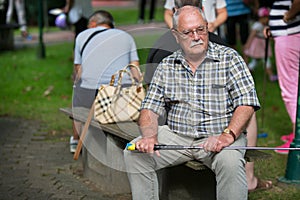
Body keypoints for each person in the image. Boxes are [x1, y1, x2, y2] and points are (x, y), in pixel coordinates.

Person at [124, 6, 260, 200]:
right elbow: (149, 107)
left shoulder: (230, 58)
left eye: (201, 29)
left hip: (219, 135)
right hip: (178, 136)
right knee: (134, 154)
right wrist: (149, 136)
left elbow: (246, 103)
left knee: (230, 162)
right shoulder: (167, 65)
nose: (196, 37)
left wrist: (228, 135)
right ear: (176, 35)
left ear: (207, 27)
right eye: (188, 32)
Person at [70, 10, 141, 153]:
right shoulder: (126, 37)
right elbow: (135, 70)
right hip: (120, 93)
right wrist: (138, 83)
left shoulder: (81, 36)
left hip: (90, 93)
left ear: (93, 23)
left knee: (77, 92)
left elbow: (79, 71)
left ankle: (76, 139)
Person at [265, 0, 300, 154]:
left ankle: (297, 140)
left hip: (289, 35)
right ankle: (296, 131)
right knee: (295, 87)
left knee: (290, 89)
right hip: (291, 34)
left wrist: (287, 17)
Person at [244, 7, 277, 82]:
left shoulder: (266, 26)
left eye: (267, 18)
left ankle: (247, 71)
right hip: (258, 45)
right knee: (265, 60)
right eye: (264, 18)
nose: (266, 20)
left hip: (263, 44)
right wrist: (248, 45)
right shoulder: (257, 25)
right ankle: (271, 75)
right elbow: (251, 35)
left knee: (256, 61)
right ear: (260, 18)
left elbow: (269, 35)